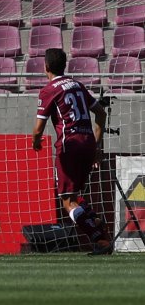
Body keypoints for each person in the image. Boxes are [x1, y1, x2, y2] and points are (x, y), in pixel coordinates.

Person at [31, 48, 111, 255]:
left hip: (70, 145)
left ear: (46, 66)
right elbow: (100, 112)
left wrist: (36, 142)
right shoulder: (77, 85)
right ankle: (92, 219)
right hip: (88, 142)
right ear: (64, 65)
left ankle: (100, 240)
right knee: (75, 195)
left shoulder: (50, 89)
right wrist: (97, 145)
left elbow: (38, 128)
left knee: (67, 200)